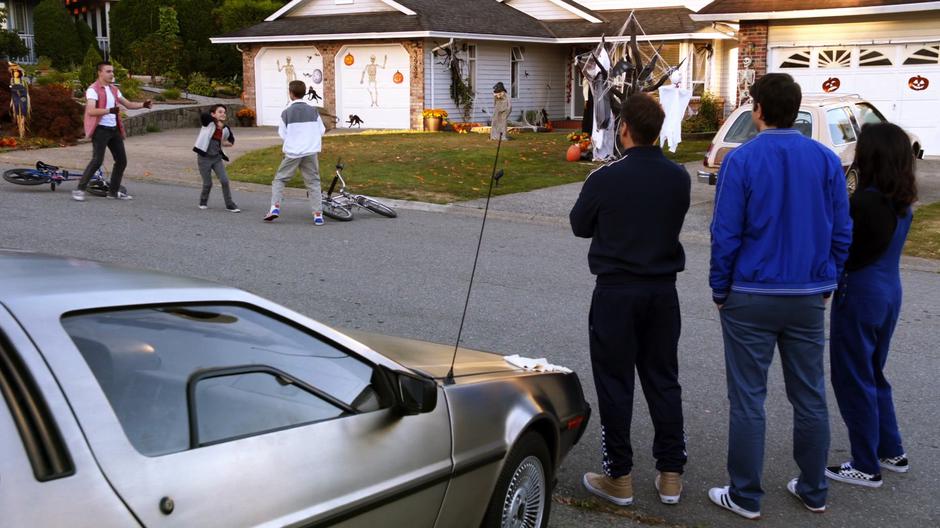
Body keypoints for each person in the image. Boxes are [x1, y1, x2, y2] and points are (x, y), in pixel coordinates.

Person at [708, 73, 852, 519]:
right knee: (810, 396)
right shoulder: (826, 160)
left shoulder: (742, 160)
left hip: (751, 292)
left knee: (749, 398)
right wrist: (829, 279)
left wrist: (720, 287)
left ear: (759, 111)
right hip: (807, 292)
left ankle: (746, 495)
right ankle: (814, 488)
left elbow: (725, 233)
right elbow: (842, 230)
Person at [570, 93, 690, 507]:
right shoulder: (679, 177)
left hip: (617, 291)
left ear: (623, 130)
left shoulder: (605, 177)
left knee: (614, 383)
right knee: (663, 380)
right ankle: (670, 473)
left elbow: (579, 225)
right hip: (662, 291)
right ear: (657, 131)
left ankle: (618, 475)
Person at [825, 122, 918, 488]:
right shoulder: (901, 201)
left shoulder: (864, 203)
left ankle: (865, 463)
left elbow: (846, 249)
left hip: (860, 293)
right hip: (889, 290)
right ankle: (889, 448)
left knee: (852, 377)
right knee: (874, 371)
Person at [72, 61, 152, 202]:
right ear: (100, 73)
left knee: (121, 161)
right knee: (97, 160)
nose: (112, 74)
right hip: (100, 130)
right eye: (108, 71)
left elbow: (128, 104)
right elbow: (91, 111)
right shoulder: (93, 89)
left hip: (114, 130)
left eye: (112, 71)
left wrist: (143, 105)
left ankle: (113, 192)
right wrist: (111, 110)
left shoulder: (114, 89)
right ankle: (79, 189)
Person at [264, 80, 326, 226]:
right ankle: (318, 214)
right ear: (304, 93)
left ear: (290, 93)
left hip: (293, 152)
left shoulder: (286, 112)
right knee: (313, 182)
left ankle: (275, 207)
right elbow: (321, 130)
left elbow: (282, 133)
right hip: (310, 151)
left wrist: (294, 140)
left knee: (280, 179)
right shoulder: (313, 110)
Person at [193, 104, 239, 212]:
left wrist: (224, 142)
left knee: (224, 180)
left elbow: (231, 141)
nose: (223, 114)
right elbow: (204, 115)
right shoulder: (207, 123)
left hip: (216, 158)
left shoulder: (225, 128)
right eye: (220, 112)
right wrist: (215, 121)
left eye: (224, 112)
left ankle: (229, 204)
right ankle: (203, 201)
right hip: (204, 158)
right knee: (208, 183)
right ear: (213, 114)